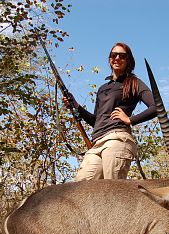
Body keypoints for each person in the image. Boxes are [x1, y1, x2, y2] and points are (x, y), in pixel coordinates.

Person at [63, 42, 157, 181]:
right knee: (81, 186)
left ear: (128, 60)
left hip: (117, 139)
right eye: (114, 55)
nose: (117, 58)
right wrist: (77, 106)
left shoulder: (134, 82)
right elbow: (96, 121)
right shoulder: (102, 89)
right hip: (96, 144)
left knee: (112, 192)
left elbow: (156, 107)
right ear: (109, 59)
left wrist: (130, 120)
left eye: (122, 56)